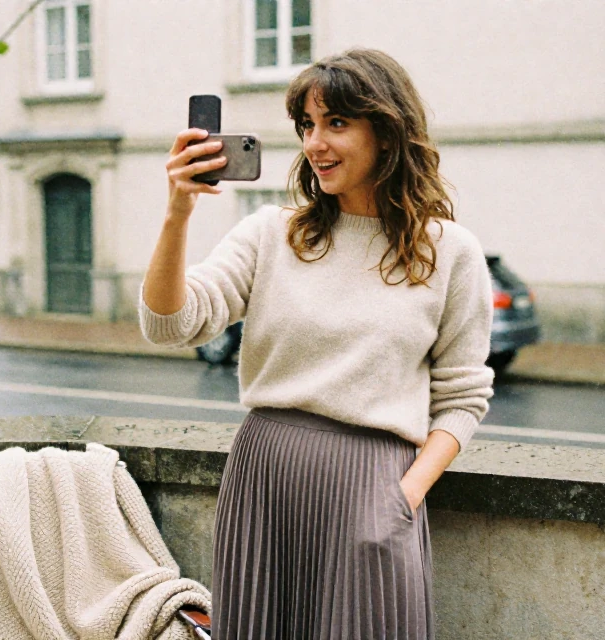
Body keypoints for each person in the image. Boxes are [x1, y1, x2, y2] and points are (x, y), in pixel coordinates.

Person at [139, 48, 495, 640]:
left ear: (387, 132)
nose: (315, 143)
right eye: (307, 125)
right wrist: (177, 213)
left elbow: (463, 397)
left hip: (374, 486)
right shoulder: (271, 234)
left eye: (336, 123)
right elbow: (170, 325)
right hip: (266, 479)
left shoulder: (449, 252)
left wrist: (401, 498)